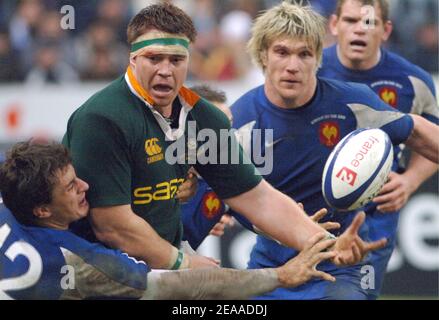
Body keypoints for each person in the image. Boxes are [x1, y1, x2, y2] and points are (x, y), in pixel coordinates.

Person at [62, 2, 387, 273]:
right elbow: (112, 226)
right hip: (90, 274)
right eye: (154, 59)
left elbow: (257, 198)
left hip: (154, 274)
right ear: (132, 59)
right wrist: (184, 264)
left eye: (176, 60)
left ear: (189, 60)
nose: (165, 70)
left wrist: (325, 244)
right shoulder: (102, 118)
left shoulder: (203, 119)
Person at [230, 2, 439, 300]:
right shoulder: (238, 122)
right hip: (276, 254)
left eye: (303, 54)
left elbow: (418, 130)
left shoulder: (363, 98)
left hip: (351, 240)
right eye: (282, 52)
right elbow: (207, 191)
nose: (293, 65)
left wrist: (410, 180)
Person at [0, 140, 340, 300]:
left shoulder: (9, 205)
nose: (86, 186)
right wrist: (280, 276)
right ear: (42, 210)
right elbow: (184, 286)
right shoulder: (79, 262)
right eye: (72, 187)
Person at [318, 0, 439, 299]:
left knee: (355, 295)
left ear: (385, 30)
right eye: (350, 20)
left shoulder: (415, 82)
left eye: (370, 22)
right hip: (310, 208)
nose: (360, 29)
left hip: (374, 215)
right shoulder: (310, 68)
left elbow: (431, 142)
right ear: (334, 25)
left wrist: (410, 181)